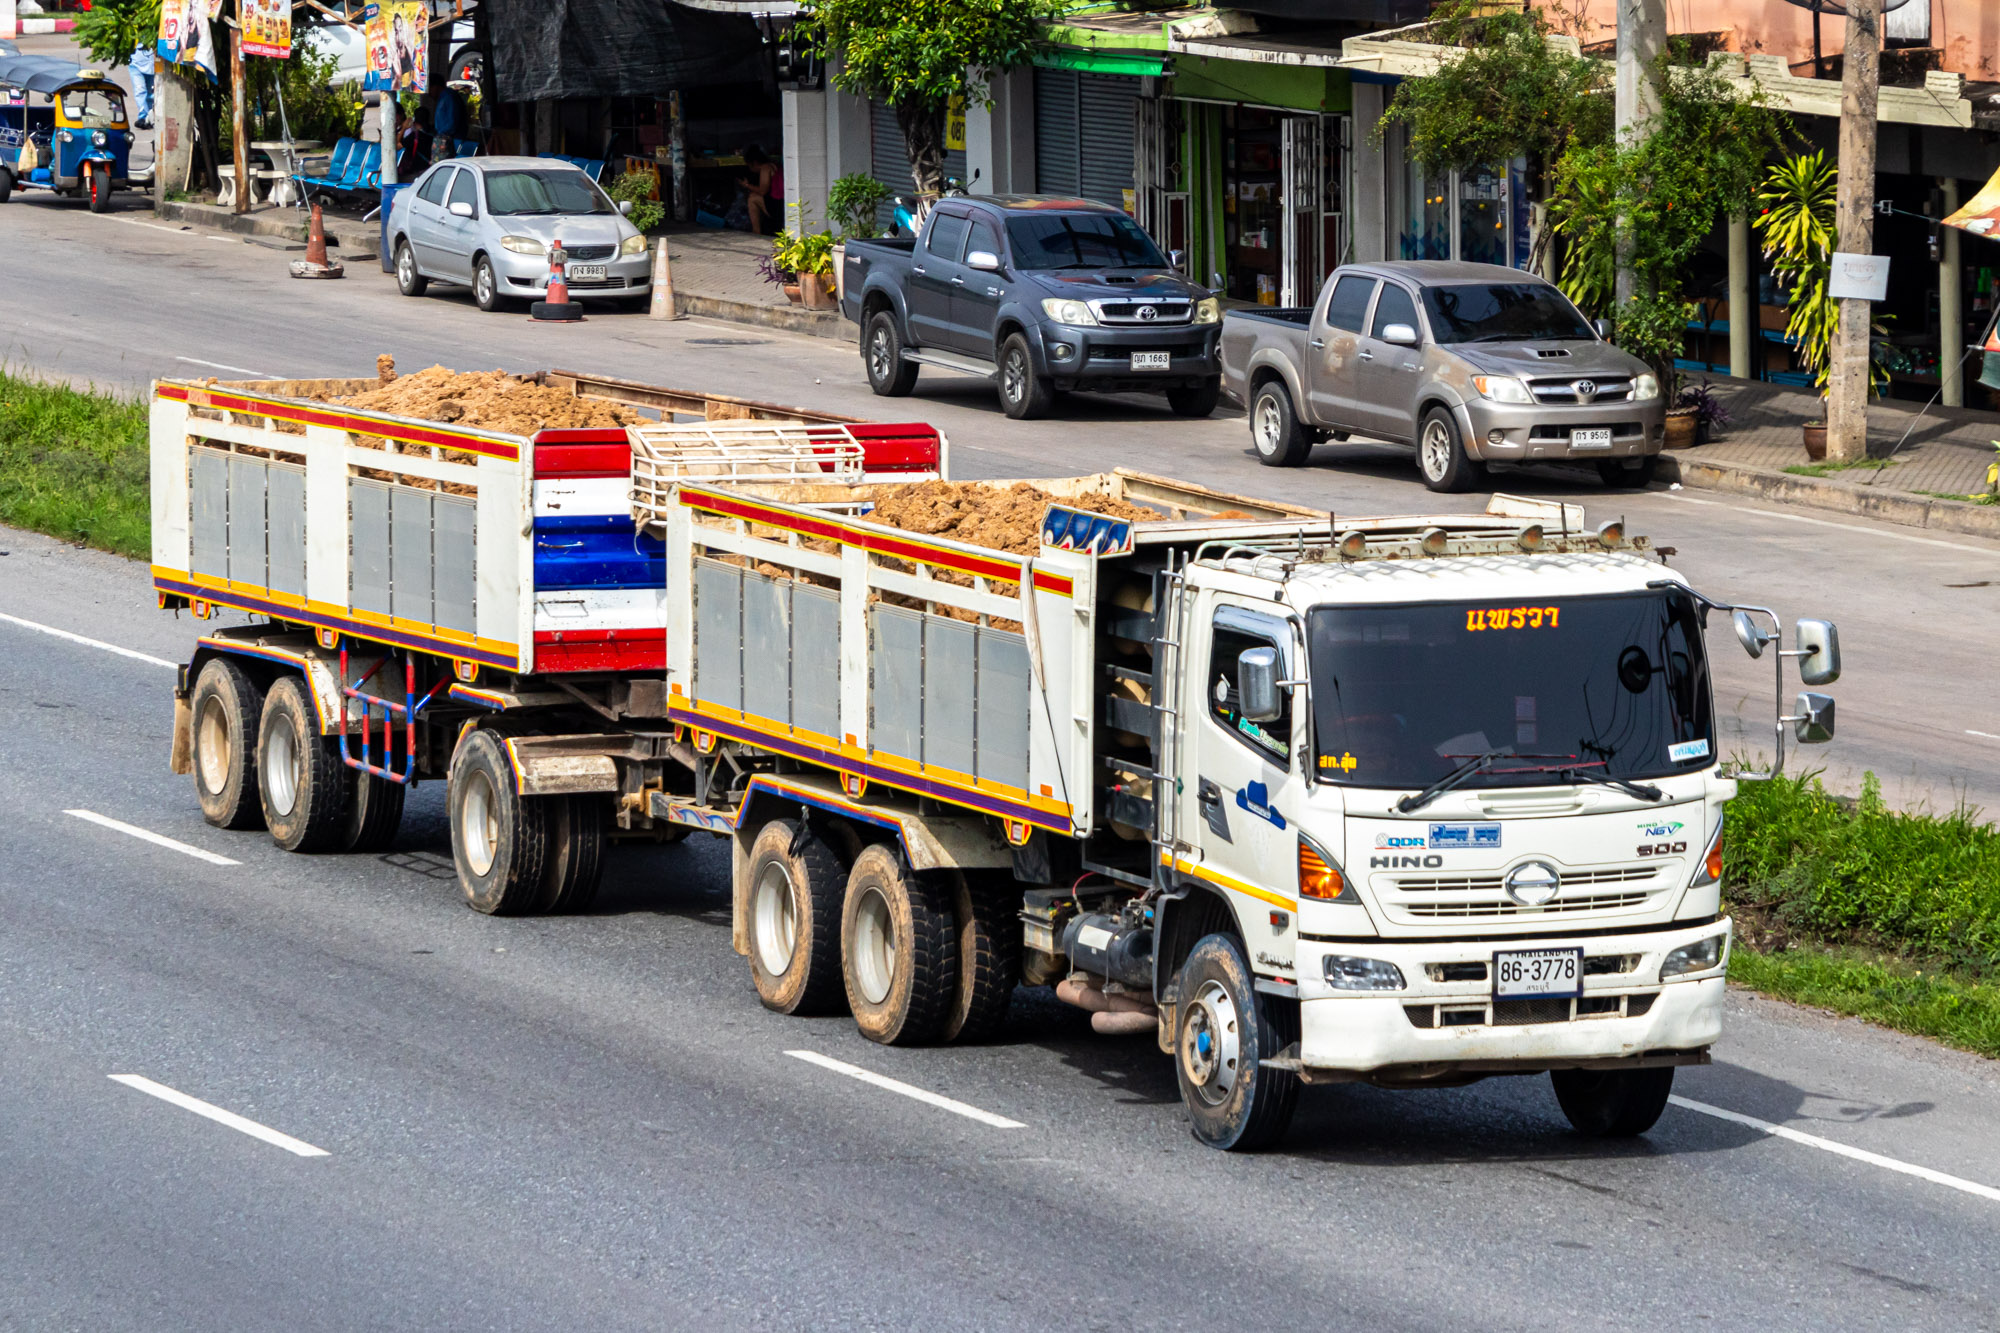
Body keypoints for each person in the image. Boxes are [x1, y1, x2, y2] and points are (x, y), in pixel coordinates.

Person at [736, 143, 778, 235]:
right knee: (754, 195)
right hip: (779, 202)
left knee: (752, 199)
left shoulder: (765, 168)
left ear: (754, 163)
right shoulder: (773, 164)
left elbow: (763, 191)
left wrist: (746, 185)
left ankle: (756, 232)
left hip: (778, 206)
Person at [128, 42, 155, 129]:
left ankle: (151, 117)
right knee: (140, 91)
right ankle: (143, 117)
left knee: (151, 94)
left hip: (152, 64)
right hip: (135, 64)